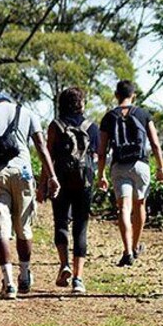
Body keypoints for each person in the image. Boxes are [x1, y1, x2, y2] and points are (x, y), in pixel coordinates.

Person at [0, 93, 61, 300]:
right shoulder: (27, 113)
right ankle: (25, 273)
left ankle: (9, 283)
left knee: (1, 228)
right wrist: (52, 177)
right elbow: (41, 147)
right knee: (24, 226)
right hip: (24, 173)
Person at [97, 80, 163, 267]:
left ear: (116, 95)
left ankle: (127, 251)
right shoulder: (143, 114)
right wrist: (161, 167)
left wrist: (101, 174)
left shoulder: (109, 117)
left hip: (120, 167)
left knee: (123, 208)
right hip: (141, 165)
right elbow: (155, 143)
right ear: (133, 95)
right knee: (140, 204)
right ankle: (135, 246)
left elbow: (101, 151)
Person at [39, 87, 100, 294]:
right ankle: (78, 279)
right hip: (84, 182)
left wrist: (42, 184)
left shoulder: (55, 126)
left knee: (61, 222)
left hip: (60, 179)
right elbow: (97, 157)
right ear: (81, 104)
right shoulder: (91, 127)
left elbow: (47, 157)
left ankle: (64, 264)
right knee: (81, 227)